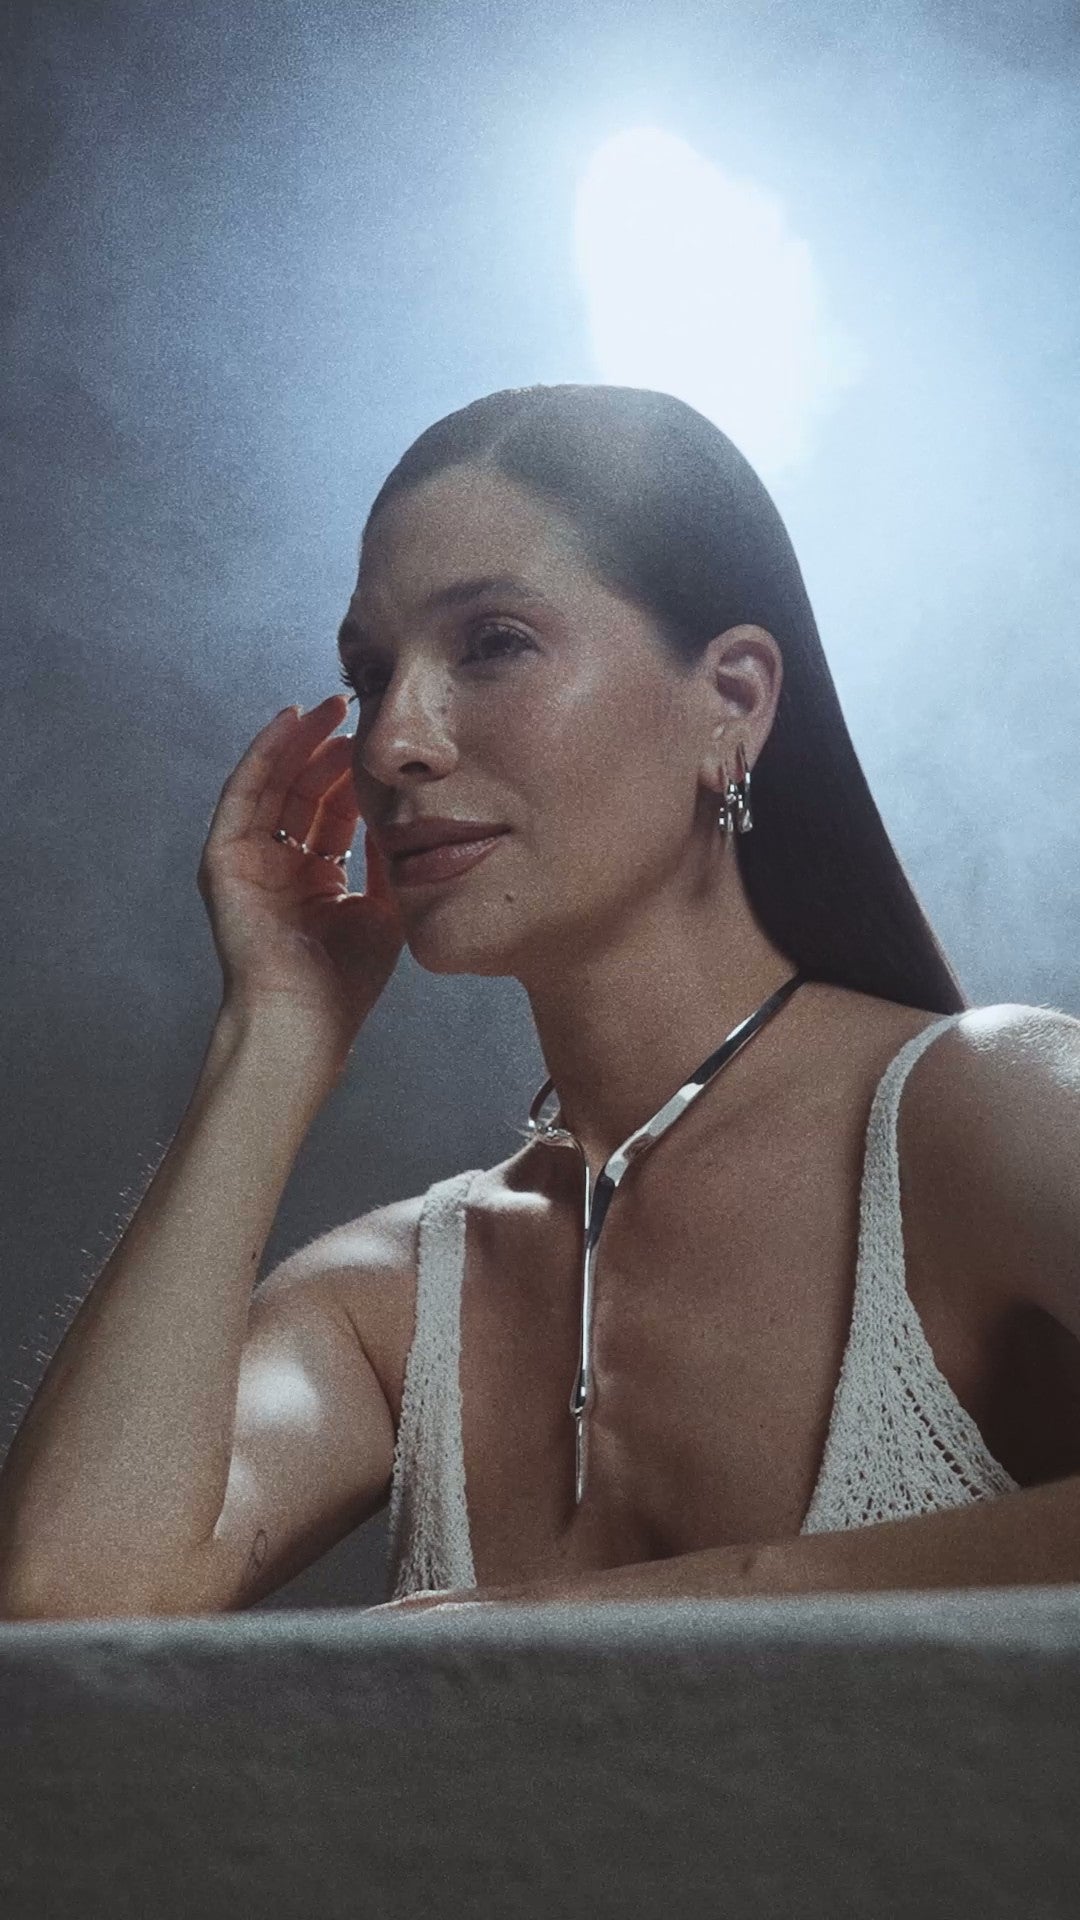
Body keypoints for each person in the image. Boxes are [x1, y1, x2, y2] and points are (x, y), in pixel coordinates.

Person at [5, 384, 1080, 1623]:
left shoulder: (983, 1113)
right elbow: (65, 1607)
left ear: (732, 699)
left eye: (494, 643)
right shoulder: (397, 1296)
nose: (392, 741)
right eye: (369, 672)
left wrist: (600, 1621)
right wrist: (274, 1031)